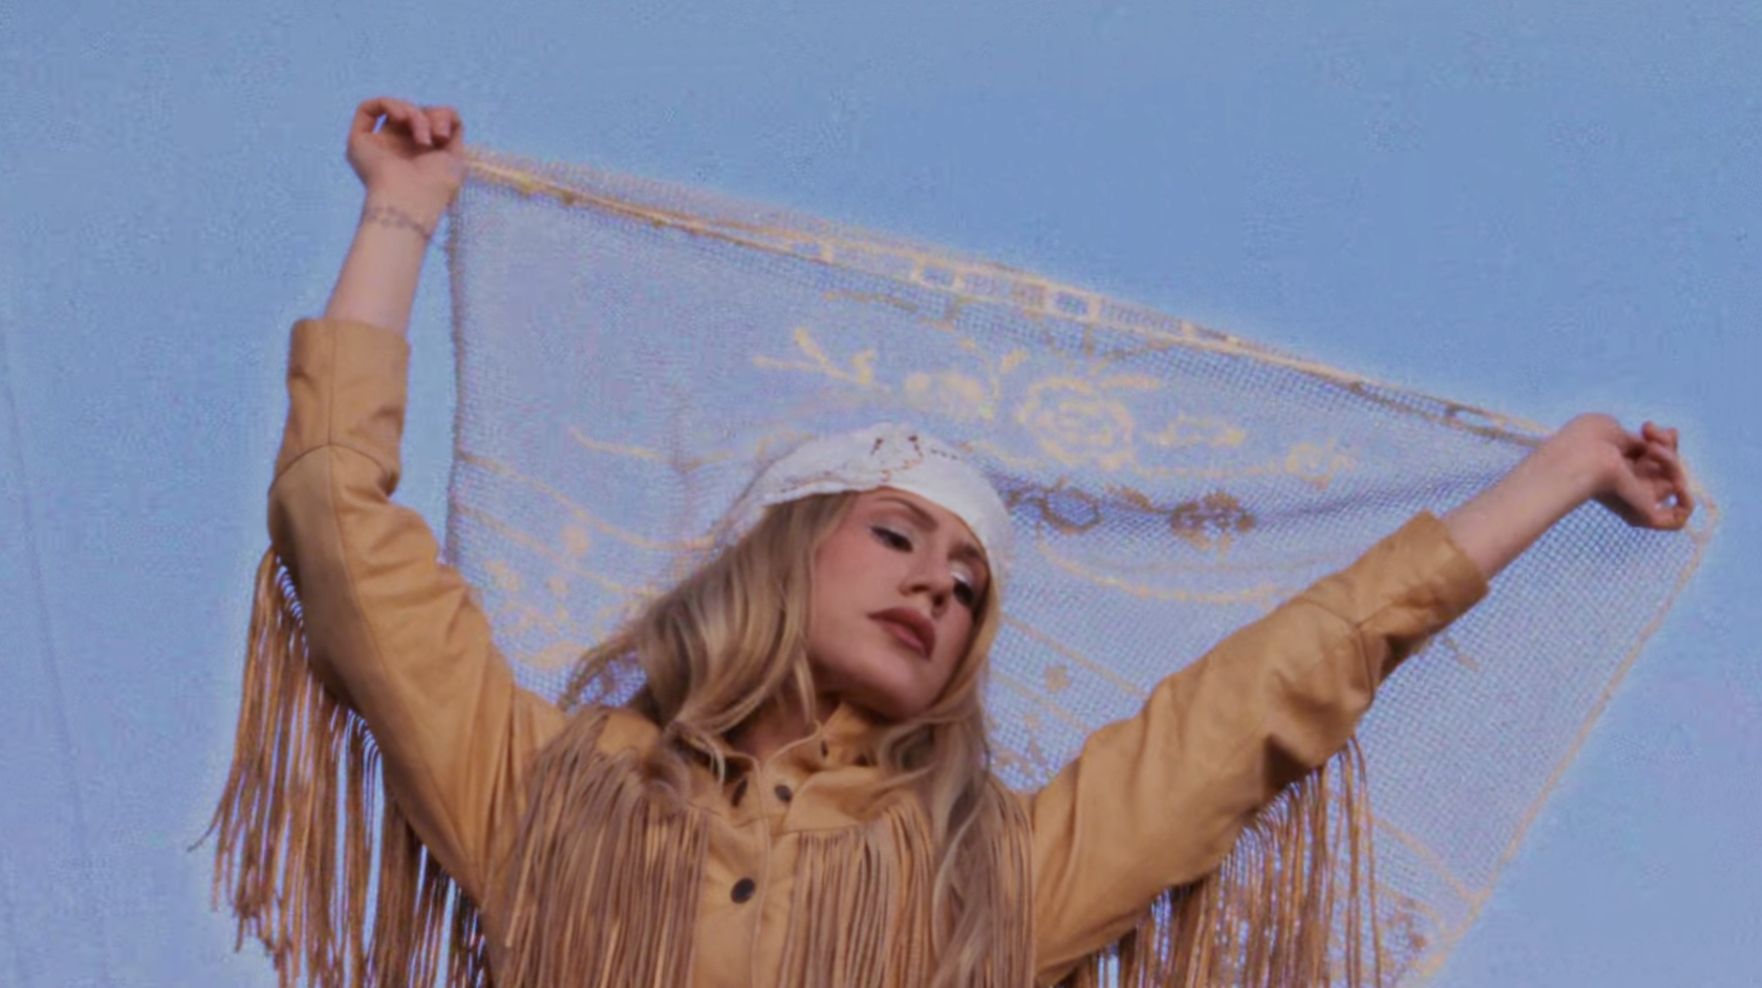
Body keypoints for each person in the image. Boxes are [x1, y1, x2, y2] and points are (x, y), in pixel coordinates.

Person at [213, 96, 1696, 988]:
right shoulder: (542, 797)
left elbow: (1274, 689)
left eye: (973, 583)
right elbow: (340, 529)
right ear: (779, 557)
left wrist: (1557, 474)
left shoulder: (992, 881)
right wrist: (400, 219)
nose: (941, 581)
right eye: (897, 535)